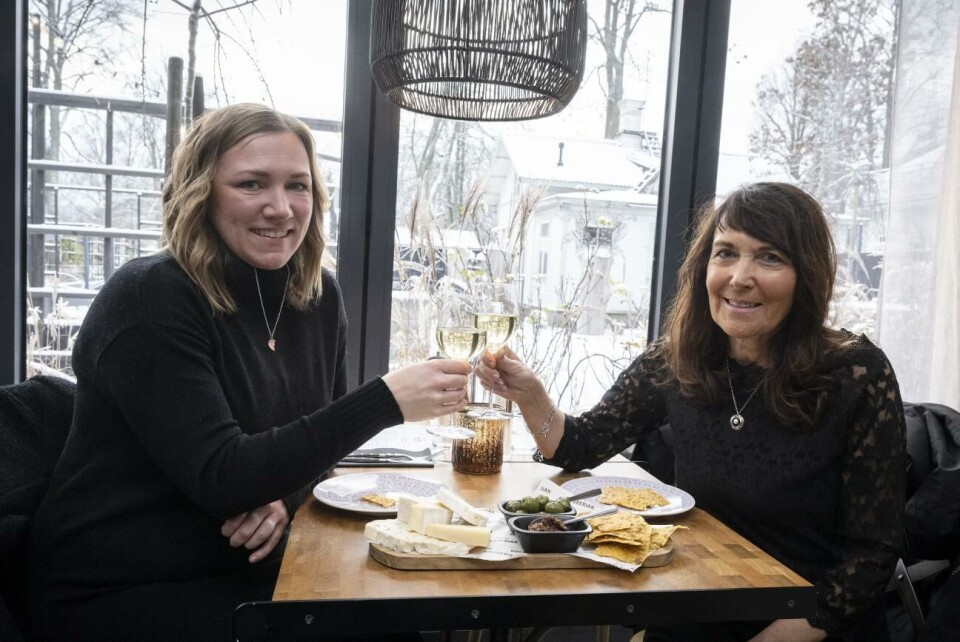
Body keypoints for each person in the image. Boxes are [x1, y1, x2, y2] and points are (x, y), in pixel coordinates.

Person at [25, 103, 471, 641]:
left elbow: (310, 450)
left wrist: (281, 500)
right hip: (119, 586)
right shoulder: (151, 297)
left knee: (399, 615)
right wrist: (385, 401)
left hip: (242, 564)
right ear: (202, 192)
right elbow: (223, 476)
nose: (280, 209)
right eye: (252, 184)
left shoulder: (318, 296)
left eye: (297, 186)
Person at [477, 182, 906, 641]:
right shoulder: (679, 358)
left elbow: (869, 561)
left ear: (807, 275)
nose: (740, 276)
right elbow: (582, 444)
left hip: (807, 624)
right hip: (697, 605)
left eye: (770, 257)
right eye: (726, 253)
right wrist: (530, 395)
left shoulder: (856, 373)